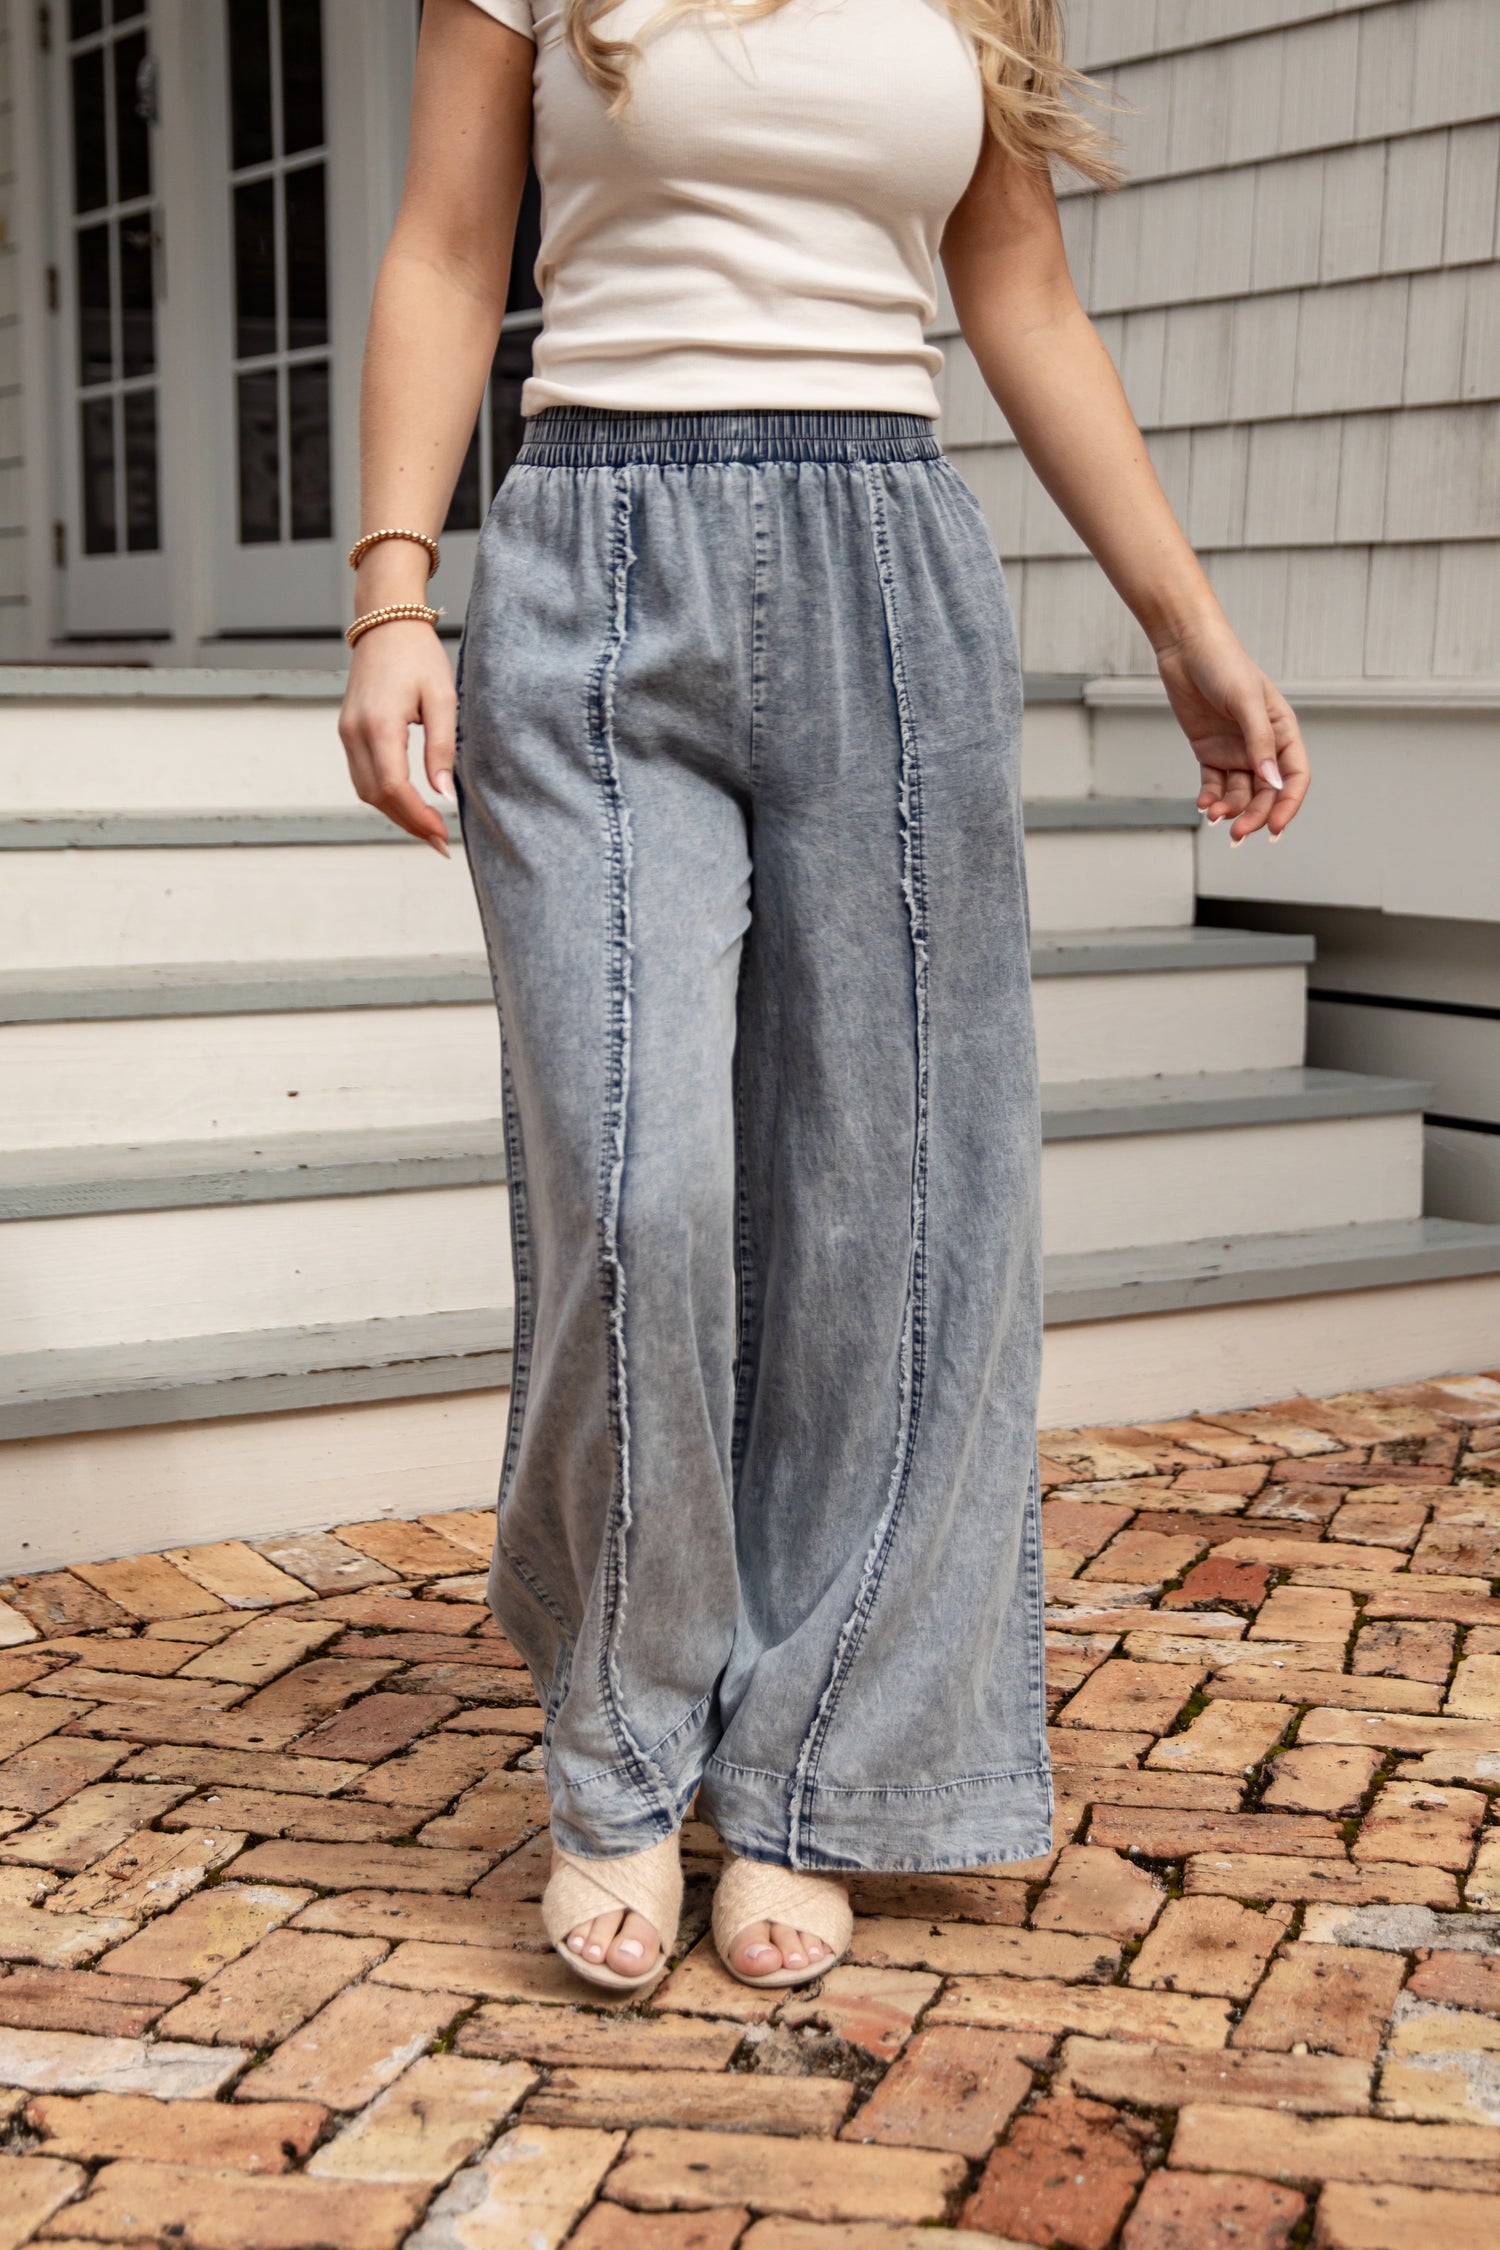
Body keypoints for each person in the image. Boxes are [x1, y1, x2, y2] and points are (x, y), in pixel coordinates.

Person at [338, 0, 1311, 1996]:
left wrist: (1186, 623)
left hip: (889, 553)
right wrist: (389, 592)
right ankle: (621, 1744)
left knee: (895, 1204)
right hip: (594, 558)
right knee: (640, 1186)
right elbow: (447, 242)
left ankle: (809, 1772)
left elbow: (1017, 288)